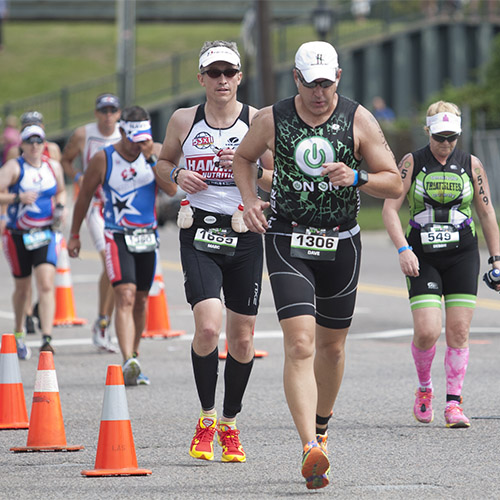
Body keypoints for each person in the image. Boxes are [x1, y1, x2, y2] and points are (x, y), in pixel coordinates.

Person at [232, 41, 402, 489]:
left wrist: (358, 176)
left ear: (339, 78)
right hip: (288, 237)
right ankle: (309, 445)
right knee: (301, 343)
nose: (319, 93)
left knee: (331, 348)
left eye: (326, 83)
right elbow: (243, 158)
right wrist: (250, 201)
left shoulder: (357, 118)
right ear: (296, 79)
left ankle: (322, 429)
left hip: (342, 242)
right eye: (311, 84)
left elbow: (394, 181)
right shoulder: (272, 118)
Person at [156, 40, 273, 464]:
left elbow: (278, 177)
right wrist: (178, 174)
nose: (222, 80)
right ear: (201, 78)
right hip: (200, 232)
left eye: (230, 73)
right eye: (214, 73)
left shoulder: (258, 120)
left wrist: (248, 167)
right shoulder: (184, 119)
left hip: (244, 233)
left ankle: (230, 423)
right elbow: (162, 164)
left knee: (242, 338)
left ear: (240, 77)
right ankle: (206, 418)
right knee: (208, 329)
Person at [382, 101, 500, 428]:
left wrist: (496, 259)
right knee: (427, 331)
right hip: (423, 256)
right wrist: (403, 249)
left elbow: (487, 213)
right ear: (427, 131)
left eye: (451, 137)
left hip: (462, 254)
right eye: (439, 137)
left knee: (459, 330)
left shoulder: (471, 165)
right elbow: (390, 210)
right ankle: (424, 388)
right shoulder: (412, 162)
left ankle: (453, 404)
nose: (445, 144)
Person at [68, 105, 177, 385]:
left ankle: (134, 357)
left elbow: (172, 190)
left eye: (143, 138)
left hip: (147, 236)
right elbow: (83, 198)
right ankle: (127, 357)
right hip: (117, 234)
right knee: (125, 295)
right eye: (133, 139)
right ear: (123, 133)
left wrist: (152, 158)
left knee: (141, 300)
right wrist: (75, 235)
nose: (137, 144)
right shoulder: (104, 158)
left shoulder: (155, 152)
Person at [61, 93, 122, 352]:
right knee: (110, 260)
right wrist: (77, 177)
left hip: (121, 208)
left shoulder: (125, 133)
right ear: (96, 113)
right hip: (95, 207)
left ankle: (106, 321)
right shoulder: (83, 134)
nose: (108, 116)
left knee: (119, 270)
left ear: (119, 113)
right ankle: (102, 321)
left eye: (112, 111)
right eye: (103, 111)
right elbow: (66, 160)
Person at [0, 124, 66, 359]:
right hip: (18, 234)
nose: (35, 146)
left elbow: (61, 191)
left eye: (39, 141)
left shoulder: (52, 166)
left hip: (46, 232)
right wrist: (17, 197)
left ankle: (46, 337)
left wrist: (61, 207)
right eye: (30, 141)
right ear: (22, 145)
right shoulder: (14, 167)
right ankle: (19, 332)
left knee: (46, 283)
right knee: (23, 287)